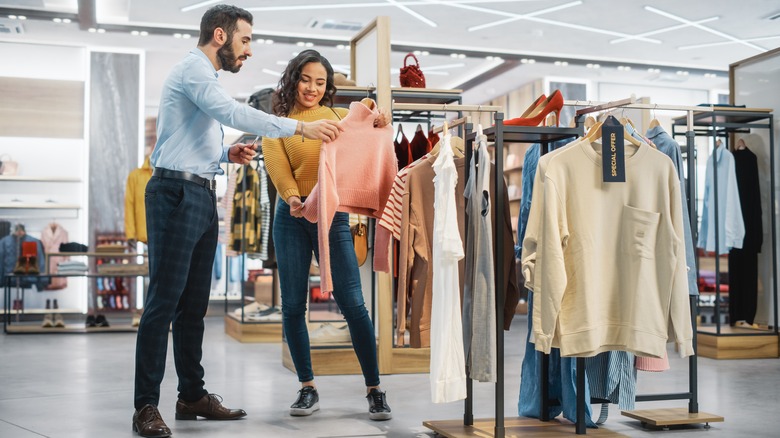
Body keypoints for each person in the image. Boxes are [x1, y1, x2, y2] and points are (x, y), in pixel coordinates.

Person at [132, 6, 343, 438]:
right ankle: (145, 407)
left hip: (200, 191)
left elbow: (189, 136)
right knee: (164, 303)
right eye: (245, 40)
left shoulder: (203, 77)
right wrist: (300, 130)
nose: (248, 50)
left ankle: (192, 395)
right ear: (220, 35)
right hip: (175, 193)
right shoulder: (195, 69)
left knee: (193, 307)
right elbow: (230, 113)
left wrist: (223, 155)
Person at [262, 49, 393, 421]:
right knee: (292, 305)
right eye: (306, 79)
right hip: (291, 217)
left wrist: (379, 120)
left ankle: (375, 389)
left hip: (332, 217)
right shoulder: (280, 123)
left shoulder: (337, 118)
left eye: (320, 82)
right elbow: (277, 166)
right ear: (293, 79)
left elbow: (370, 136)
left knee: (353, 302)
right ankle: (307, 386)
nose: (312, 88)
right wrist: (292, 198)